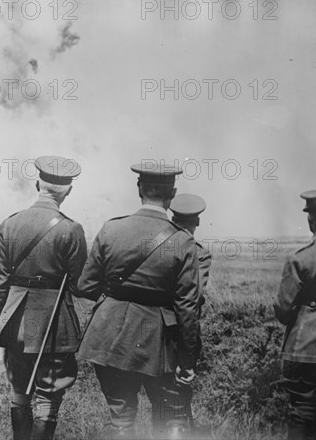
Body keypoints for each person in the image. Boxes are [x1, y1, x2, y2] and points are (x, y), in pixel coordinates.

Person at [76, 162, 200, 439]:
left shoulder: (111, 229)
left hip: (109, 335)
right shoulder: (183, 241)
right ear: (172, 194)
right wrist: (188, 360)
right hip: (159, 343)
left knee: (121, 420)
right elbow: (187, 309)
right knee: (170, 417)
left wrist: (116, 300)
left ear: (139, 189)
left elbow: (85, 285)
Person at [0, 156, 87, 440]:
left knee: (20, 391)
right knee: (49, 394)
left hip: (15, 320)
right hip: (53, 323)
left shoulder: (10, 224)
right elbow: (81, 285)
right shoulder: (71, 229)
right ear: (68, 191)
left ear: (37, 184)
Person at [274, 190, 316, 440]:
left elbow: (282, 308)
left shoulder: (300, 259)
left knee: (301, 412)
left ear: (311, 220)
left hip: (304, 348)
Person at [170, 193, 212, 435]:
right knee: (178, 395)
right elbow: (193, 300)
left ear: (173, 219)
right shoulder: (198, 252)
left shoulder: (159, 244)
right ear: (197, 222)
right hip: (182, 330)